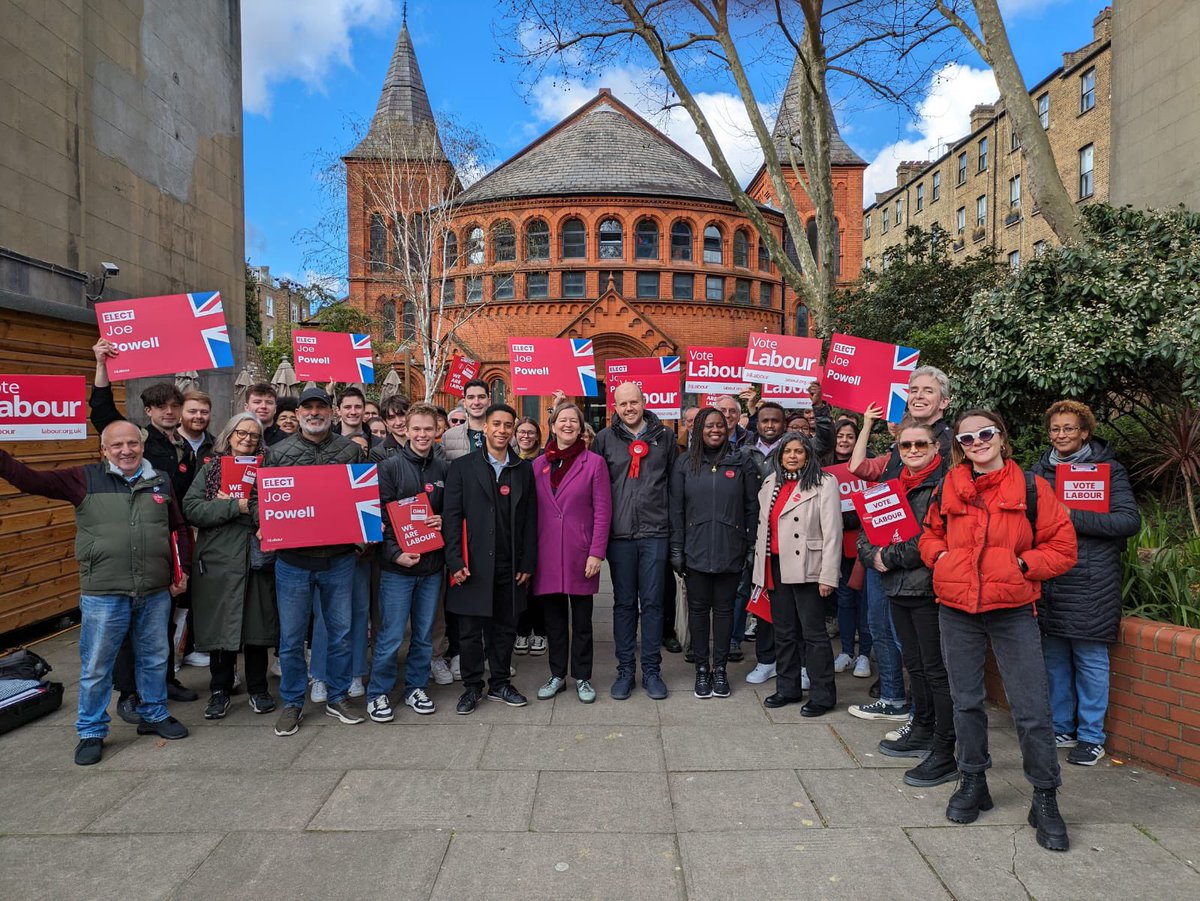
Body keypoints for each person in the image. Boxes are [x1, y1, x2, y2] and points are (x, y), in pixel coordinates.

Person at [920, 408, 1077, 851]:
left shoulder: (1032, 487)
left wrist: (1023, 563)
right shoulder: (948, 486)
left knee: (1031, 708)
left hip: (1012, 608)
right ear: (959, 447)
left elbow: (1063, 547)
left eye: (985, 434)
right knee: (966, 702)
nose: (977, 443)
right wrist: (940, 559)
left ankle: (1044, 795)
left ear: (1001, 438)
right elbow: (930, 535)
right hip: (956, 608)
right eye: (967, 439)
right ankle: (973, 780)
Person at [0, 422, 191, 765]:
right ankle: (90, 731)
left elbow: (176, 528)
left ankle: (155, 714)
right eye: (117, 445)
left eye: (133, 443)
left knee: (154, 658)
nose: (126, 450)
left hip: (155, 590)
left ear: (142, 446)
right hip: (104, 592)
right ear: (104, 450)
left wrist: (182, 570)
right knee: (97, 666)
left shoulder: (159, 479)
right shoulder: (83, 478)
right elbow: (29, 479)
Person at [89, 339, 199, 709]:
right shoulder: (137, 440)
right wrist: (102, 365)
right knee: (127, 624)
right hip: (137, 534)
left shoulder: (184, 447)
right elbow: (102, 413)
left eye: (174, 406)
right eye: (160, 407)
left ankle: (164, 679)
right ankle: (129, 693)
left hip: (170, 536)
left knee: (164, 616)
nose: (169, 412)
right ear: (148, 410)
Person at [1031, 400, 1140, 766]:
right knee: (1055, 657)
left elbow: (1128, 522)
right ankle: (1062, 727)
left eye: (1069, 428)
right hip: (1051, 577)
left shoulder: (1110, 471)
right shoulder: (1039, 471)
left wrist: (1069, 515)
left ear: (1085, 433)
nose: (1061, 435)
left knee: (1091, 659)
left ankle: (1092, 737)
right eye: (1055, 429)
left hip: (1093, 580)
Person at [849, 366, 955, 718]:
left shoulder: (955, 445)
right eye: (914, 389)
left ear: (944, 401)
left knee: (914, 643)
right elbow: (877, 493)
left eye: (928, 390)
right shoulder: (903, 443)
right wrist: (872, 552)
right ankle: (894, 698)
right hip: (885, 555)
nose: (919, 395)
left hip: (919, 562)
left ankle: (919, 711)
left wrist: (894, 555)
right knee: (880, 628)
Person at [857, 416, 955, 787]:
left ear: (935, 448)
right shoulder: (891, 484)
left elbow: (932, 537)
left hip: (928, 589)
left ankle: (945, 747)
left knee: (935, 669)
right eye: (905, 446)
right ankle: (923, 729)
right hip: (896, 588)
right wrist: (873, 556)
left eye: (920, 445)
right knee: (914, 665)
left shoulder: (943, 486)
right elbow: (868, 532)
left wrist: (889, 557)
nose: (912, 451)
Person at [265, 386, 366, 737]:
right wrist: (264, 526)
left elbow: (366, 500)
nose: (313, 413)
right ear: (300, 412)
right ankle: (293, 703)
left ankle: (337, 696)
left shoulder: (351, 452)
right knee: (292, 639)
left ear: (332, 412)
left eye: (320, 407)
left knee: (340, 634)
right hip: (293, 562)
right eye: (307, 407)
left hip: (339, 559)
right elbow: (259, 500)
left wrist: (360, 542)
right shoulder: (277, 453)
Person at [442, 403, 538, 714]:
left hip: (509, 564)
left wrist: (527, 563)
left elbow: (530, 520)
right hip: (472, 564)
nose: (501, 430)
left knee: (504, 628)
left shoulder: (522, 469)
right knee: (470, 631)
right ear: (485, 427)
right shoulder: (463, 467)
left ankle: (499, 682)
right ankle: (472, 687)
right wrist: (455, 561)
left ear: (513, 431)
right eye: (495, 424)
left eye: (507, 425)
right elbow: (452, 517)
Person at [184, 413, 278, 719]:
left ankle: (258, 689)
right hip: (218, 561)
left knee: (256, 630)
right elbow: (193, 508)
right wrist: (233, 505)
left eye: (253, 434)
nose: (247, 438)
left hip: (254, 559)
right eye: (241, 432)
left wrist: (243, 506)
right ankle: (220, 690)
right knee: (220, 631)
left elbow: (275, 507)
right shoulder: (211, 467)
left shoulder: (269, 467)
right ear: (229, 434)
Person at [593, 382, 677, 701]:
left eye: (634, 402)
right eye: (623, 404)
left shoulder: (665, 438)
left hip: (655, 533)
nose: (629, 408)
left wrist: (674, 534)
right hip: (620, 536)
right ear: (615, 407)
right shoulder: (604, 439)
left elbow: (673, 486)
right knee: (624, 604)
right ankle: (626, 670)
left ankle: (652, 671)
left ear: (644, 402)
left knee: (654, 603)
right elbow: (597, 488)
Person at [670, 408, 759, 699]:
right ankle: (701, 669)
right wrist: (677, 549)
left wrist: (750, 548)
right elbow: (677, 510)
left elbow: (751, 508)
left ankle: (719, 669)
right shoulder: (685, 463)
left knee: (723, 612)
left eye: (720, 425)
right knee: (697, 612)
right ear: (698, 429)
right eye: (708, 425)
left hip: (730, 550)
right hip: (694, 551)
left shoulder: (741, 462)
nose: (715, 430)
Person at [368, 403, 450, 721]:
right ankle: (378, 692)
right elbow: (379, 518)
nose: (422, 434)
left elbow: (455, 514)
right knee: (389, 635)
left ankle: (416, 687)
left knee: (424, 633)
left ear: (436, 431)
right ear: (405, 430)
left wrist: (443, 519)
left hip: (431, 567)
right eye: (416, 428)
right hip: (397, 568)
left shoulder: (444, 470)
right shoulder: (388, 468)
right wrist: (394, 554)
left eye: (428, 429)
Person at [751, 432, 841, 716]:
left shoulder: (824, 483)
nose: (792, 456)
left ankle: (823, 694)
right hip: (775, 566)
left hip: (809, 568)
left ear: (808, 454)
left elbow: (833, 533)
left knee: (814, 635)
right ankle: (788, 687)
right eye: (787, 451)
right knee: (784, 632)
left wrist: (828, 575)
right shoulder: (770, 483)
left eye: (798, 451)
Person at [530, 402, 611, 703]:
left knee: (582, 621)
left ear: (580, 426)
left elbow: (603, 511)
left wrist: (597, 552)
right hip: (547, 553)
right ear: (552, 426)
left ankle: (583, 677)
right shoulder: (538, 466)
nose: (568, 425)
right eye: (562, 420)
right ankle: (556, 675)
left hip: (581, 553)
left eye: (573, 421)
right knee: (554, 622)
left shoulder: (594, 463)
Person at [743, 402, 787, 684]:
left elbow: (825, 441)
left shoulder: (795, 450)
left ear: (784, 423)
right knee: (761, 603)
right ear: (756, 424)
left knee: (789, 607)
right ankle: (766, 660)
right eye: (764, 421)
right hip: (755, 536)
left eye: (775, 421)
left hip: (787, 538)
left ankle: (793, 662)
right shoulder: (745, 452)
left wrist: (819, 408)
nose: (769, 425)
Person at [826, 416, 872, 679]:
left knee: (865, 600)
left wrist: (850, 517)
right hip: (838, 547)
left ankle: (864, 653)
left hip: (864, 546)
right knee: (844, 599)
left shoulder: (868, 465)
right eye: (840, 436)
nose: (844, 441)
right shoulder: (825, 466)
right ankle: (846, 650)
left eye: (850, 437)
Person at [442, 380, 489, 459]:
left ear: (489, 401)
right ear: (464, 403)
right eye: (471, 397)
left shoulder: (504, 435)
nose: (476, 402)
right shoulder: (448, 437)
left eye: (481, 397)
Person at [371, 396, 411, 461]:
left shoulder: (425, 443)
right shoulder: (378, 453)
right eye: (391, 418)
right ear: (385, 422)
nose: (398, 422)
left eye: (401, 415)